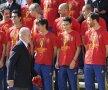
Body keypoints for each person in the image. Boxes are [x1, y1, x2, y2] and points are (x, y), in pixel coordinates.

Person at [55, 16, 81, 90]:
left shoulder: (75, 34)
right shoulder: (60, 35)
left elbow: (78, 49)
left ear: (71, 24)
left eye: (67, 24)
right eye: (64, 24)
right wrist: (57, 61)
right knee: (61, 86)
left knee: (73, 85)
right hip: (62, 64)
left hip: (71, 64)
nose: (65, 26)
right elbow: (58, 49)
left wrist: (74, 60)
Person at [84, 12, 108, 90]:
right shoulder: (87, 32)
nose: (87, 22)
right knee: (88, 85)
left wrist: (101, 57)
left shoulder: (104, 32)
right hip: (87, 63)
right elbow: (86, 46)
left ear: (94, 20)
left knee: (101, 85)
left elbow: (107, 49)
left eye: (88, 20)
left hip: (99, 63)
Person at [33, 18, 57, 90]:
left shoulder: (52, 36)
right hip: (37, 63)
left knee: (47, 84)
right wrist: (35, 53)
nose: (37, 27)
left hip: (47, 64)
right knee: (36, 83)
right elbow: (35, 48)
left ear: (44, 25)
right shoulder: (36, 36)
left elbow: (55, 49)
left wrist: (51, 59)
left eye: (39, 25)